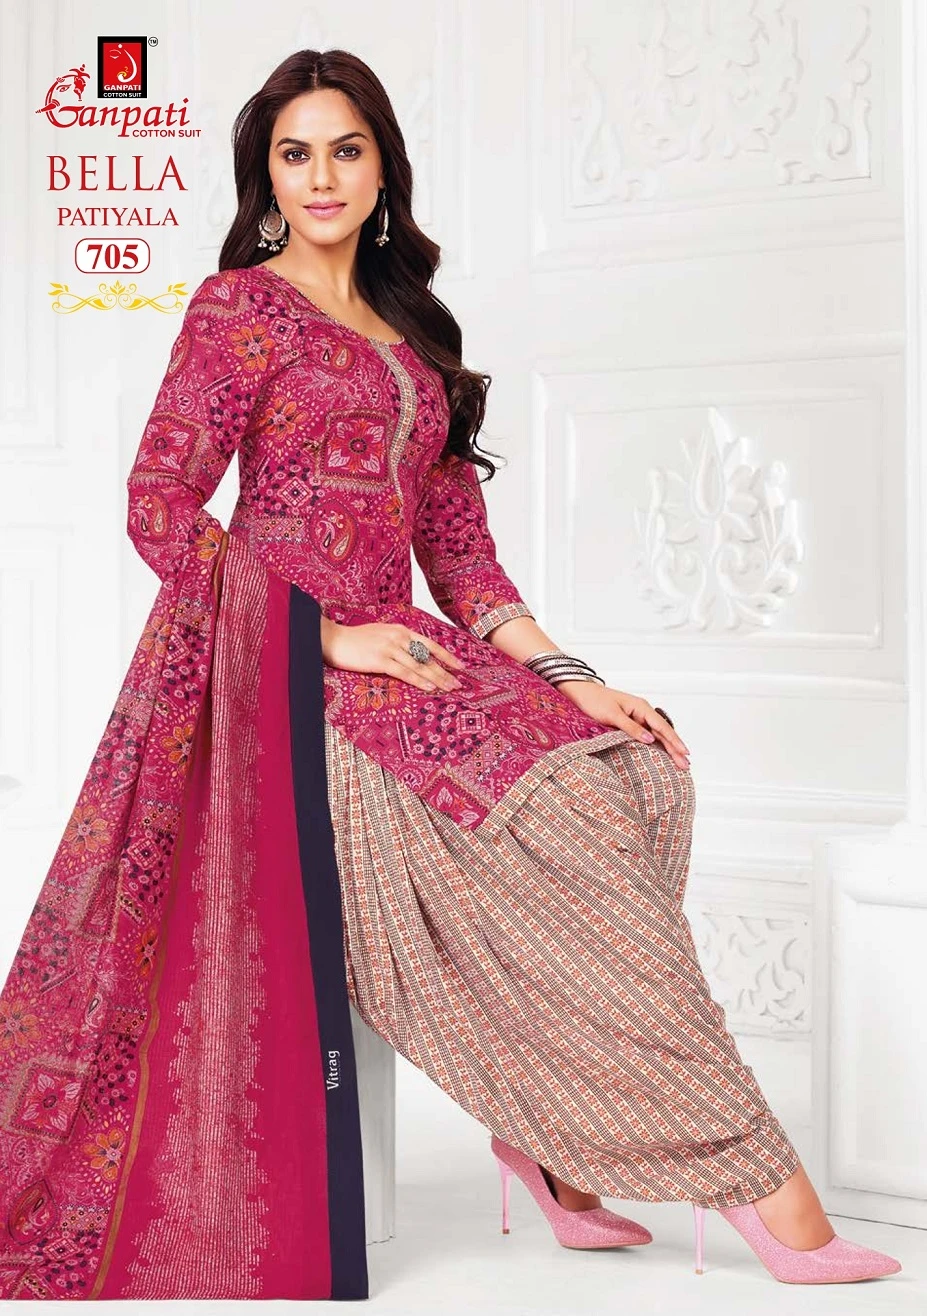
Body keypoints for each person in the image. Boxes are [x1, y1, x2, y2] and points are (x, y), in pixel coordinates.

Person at [0, 48, 901, 1300]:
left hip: (407, 647)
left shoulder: (417, 329)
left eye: (347, 149)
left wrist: (572, 676)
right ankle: (750, 1170)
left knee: (637, 772)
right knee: (562, 808)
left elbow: (461, 554)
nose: (322, 176)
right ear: (267, 176)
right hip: (280, 676)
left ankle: (550, 1138)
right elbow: (158, 503)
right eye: (295, 153)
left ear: (384, 169)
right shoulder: (236, 309)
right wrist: (321, 635)